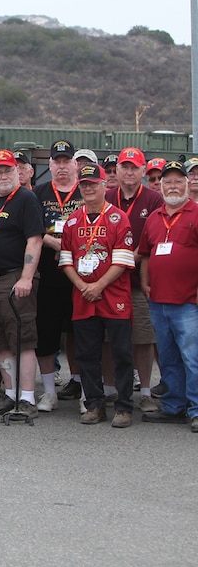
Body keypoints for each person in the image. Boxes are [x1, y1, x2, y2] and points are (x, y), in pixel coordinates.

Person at [59, 163, 135, 427]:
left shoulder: (118, 217)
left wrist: (98, 285)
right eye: (84, 184)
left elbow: (123, 259)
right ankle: (94, 405)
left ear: (105, 185)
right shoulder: (72, 221)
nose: (88, 188)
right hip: (83, 296)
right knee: (86, 354)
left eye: (93, 183)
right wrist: (82, 285)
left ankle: (124, 407)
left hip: (113, 295)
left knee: (121, 353)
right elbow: (65, 259)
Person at [0, 149, 45, 418]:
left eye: (8, 170)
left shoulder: (25, 199)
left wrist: (27, 277)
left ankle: (26, 397)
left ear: (18, 172)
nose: (3, 175)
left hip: (15, 277)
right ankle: (10, 393)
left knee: (22, 338)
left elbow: (35, 239)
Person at [137, 160, 198, 430]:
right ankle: (174, 405)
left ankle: (196, 409)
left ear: (187, 184)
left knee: (193, 358)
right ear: (160, 186)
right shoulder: (154, 217)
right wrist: (145, 282)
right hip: (158, 301)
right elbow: (146, 254)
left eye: (178, 181)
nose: (173, 186)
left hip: (189, 302)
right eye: (168, 181)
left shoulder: (196, 214)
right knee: (169, 357)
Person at [105, 147, 163, 410]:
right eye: (124, 167)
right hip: (107, 282)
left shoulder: (153, 200)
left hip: (138, 282)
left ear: (143, 171)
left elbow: (154, 238)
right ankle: (109, 389)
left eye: (134, 167)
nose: (129, 172)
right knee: (108, 339)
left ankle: (146, 392)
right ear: (116, 170)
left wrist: (126, 260)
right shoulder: (105, 196)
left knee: (143, 337)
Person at [33, 140, 84, 412]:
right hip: (48, 274)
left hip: (81, 273)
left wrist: (70, 247)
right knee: (47, 332)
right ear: (50, 165)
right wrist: (55, 244)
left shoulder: (85, 191)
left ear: (75, 164)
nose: (62, 167)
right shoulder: (38, 193)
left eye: (67, 161)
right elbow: (31, 229)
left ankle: (80, 383)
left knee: (80, 330)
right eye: (57, 162)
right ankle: (49, 391)